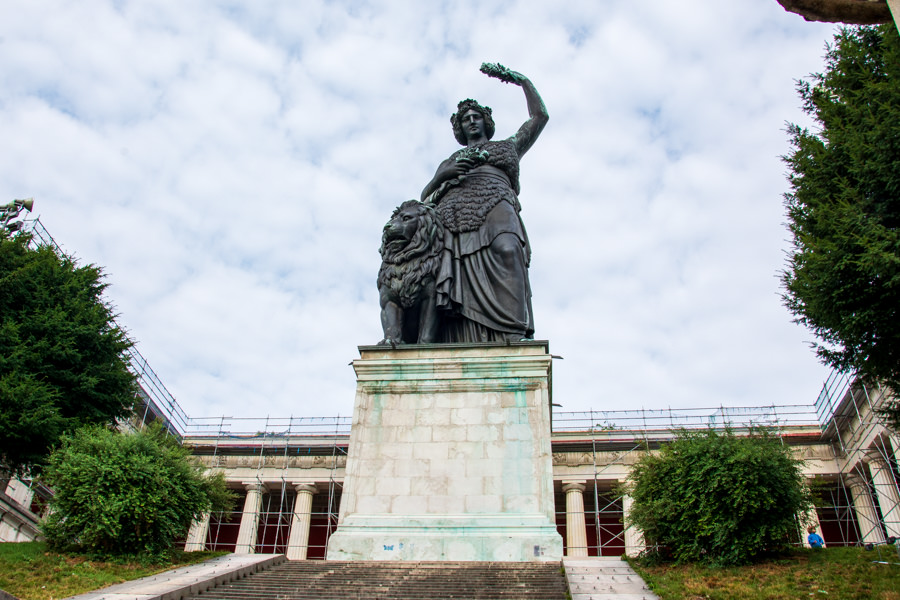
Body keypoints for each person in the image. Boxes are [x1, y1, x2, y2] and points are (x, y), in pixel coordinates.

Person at [421, 65, 548, 343]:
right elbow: (425, 201)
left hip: (496, 201)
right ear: (460, 127)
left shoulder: (508, 147)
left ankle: (514, 332)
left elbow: (540, 116)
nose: (472, 121)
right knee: (460, 273)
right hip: (456, 214)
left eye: (477, 116)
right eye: (466, 118)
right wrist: (443, 176)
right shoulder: (451, 160)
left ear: (486, 121)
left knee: (508, 248)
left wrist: (522, 81)